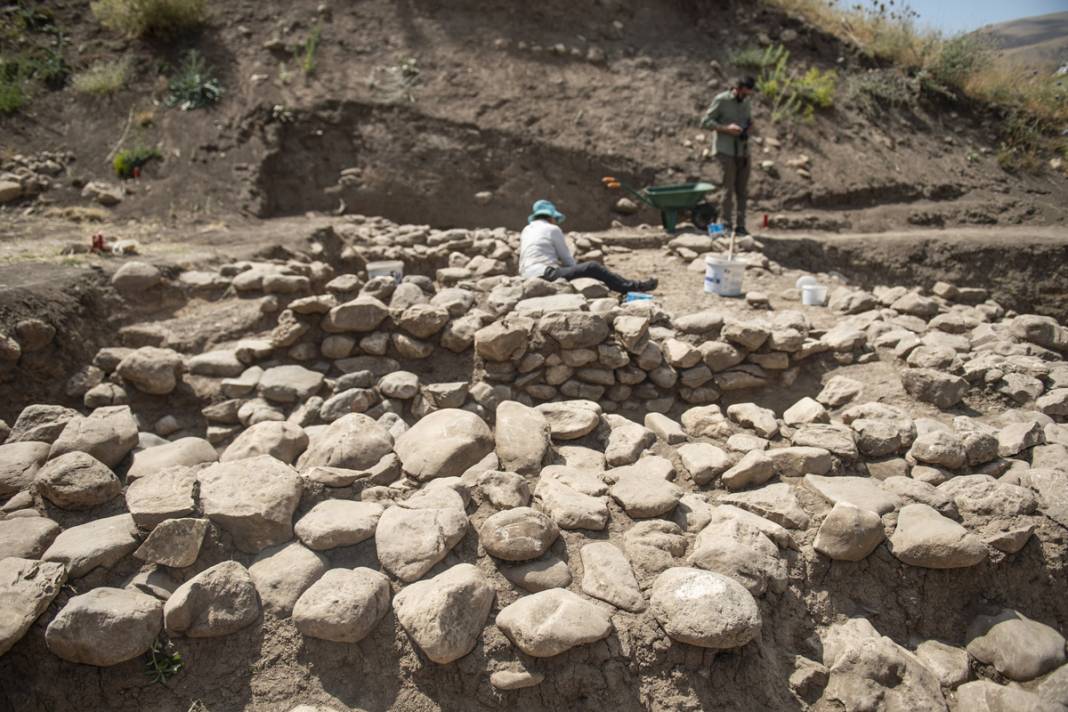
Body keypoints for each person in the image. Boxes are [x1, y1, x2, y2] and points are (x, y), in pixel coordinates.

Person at [518, 199, 657, 294]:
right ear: (551, 217)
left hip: (526, 273)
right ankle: (634, 287)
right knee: (592, 267)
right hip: (544, 273)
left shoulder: (526, 229)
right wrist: (579, 269)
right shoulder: (552, 229)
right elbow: (567, 260)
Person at [701, 76, 756, 236]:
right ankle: (725, 225)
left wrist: (750, 125)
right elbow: (705, 121)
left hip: (743, 150)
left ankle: (740, 226)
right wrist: (726, 128)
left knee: (742, 190)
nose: (747, 96)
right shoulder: (721, 100)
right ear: (737, 89)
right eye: (745, 93)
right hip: (725, 150)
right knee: (728, 189)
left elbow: (748, 119)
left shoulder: (746, 101)